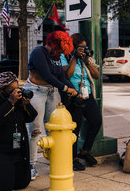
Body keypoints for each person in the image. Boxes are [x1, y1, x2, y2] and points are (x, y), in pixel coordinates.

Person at [25, 31, 78, 180]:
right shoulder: (38, 52)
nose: (61, 53)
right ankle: (31, 165)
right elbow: (47, 75)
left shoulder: (57, 56)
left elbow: (60, 76)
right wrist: (66, 89)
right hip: (36, 91)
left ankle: (55, 162)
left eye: (63, 51)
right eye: (60, 50)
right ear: (53, 44)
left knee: (53, 130)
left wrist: (76, 91)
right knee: (35, 130)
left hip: (52, 91)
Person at [61, 33, 102, 171]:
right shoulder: (65, 57)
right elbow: (67, 75)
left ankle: (85, 151)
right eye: (81, 48)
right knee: (75, 128)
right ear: (73, 48)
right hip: (73, 96)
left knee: (96, 121)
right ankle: (72, 159)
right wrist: (74, 57)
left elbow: (96, 75)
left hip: (87, 95)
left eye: (85, 47)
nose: (84, 50)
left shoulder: (86, 59)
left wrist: (86, 61)